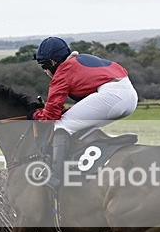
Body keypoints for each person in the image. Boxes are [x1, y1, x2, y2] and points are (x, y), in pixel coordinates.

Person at [32, 36, 139, 192]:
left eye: (44, 65)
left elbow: (51, 116)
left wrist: (34, 115)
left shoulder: (63, 71)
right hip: (130, 96)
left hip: (112, 96)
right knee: (79, 125)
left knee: (61, 126)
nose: (45, 71)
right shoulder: (81, 59)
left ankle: (56, 176)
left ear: (52, 62)